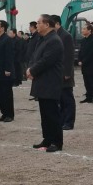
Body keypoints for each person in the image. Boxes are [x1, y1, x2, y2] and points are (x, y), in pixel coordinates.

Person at [27, 14, 64, 153]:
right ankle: (47, 139)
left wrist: (33, 70)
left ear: (47, 25)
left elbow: (47, 60)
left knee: (52, 113)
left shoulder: (54, 40)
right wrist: (30, 68)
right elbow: (35, 57)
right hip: (42, 81)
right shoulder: (42, 39)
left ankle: (56, 141)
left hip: (50, 81)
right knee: (45, 114)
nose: (37, 25)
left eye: (39, 23)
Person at [51, 15, 76, 130]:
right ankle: (62, 120)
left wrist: (67, 73)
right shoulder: (54, 35)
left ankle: (69, 122)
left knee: (67, 99)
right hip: (56, 73)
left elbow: (69, 56)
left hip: (65, 73)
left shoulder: (66, 36)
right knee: (59, 99)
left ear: (57, 24)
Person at [78, 23, 93, 104]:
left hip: (92, 65)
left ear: (89, 30)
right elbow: (80, 51)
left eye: (84, 29)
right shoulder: (83, 40)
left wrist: (83, 61)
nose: (82, 30)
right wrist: (79, 60)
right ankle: (89, 97)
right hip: (84, 66)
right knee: (87, 82)